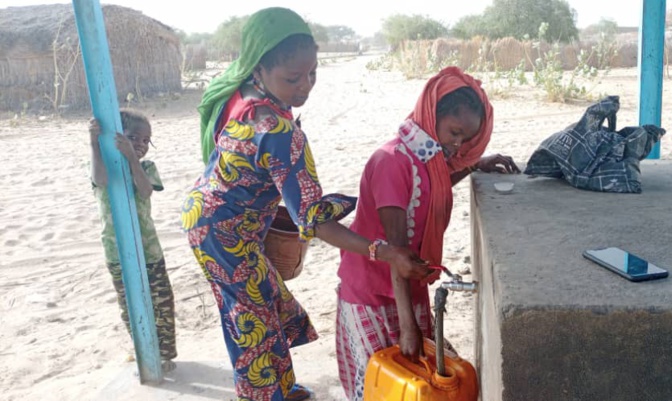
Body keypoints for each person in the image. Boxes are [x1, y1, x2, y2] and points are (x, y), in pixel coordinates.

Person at [181, 8, 428, 401]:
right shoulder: (279, 133)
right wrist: (381, 251)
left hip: (214, 213)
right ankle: (267, 394)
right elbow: (313, 223)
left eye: (312, 73)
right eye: (292, 78)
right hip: (222, 232)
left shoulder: (242, 91)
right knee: (252, 323)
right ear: (260, 68)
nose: (304, 87)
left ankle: (283, 386)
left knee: (269, 298)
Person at [334, 66, 520, 400]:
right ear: (431, 113)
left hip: (409, 290)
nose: (457, 143)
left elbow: (430, 191)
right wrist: (409, 327)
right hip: (373, 294)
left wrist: (475, 164)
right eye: (454, 131)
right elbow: (397, 250)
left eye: (466, 138)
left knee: (415, 382)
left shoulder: (426, 160)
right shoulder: (391, 161)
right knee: (383, 383)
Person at [89, 110, 177, 371]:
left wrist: (131, 157)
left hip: (149, 250)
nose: (139, 145)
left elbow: (145, 190)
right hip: (116, 251)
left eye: (145, 140)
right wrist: (94, 143)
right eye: (132, 138)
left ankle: (164, 354)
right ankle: (142, 349)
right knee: (128, 304)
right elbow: (100, 180)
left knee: (162, 302)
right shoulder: (102, 163)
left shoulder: (147, 167)